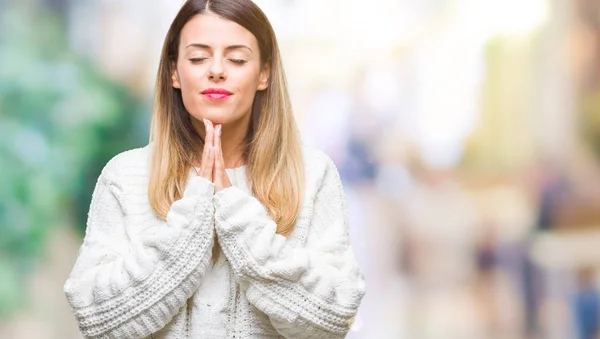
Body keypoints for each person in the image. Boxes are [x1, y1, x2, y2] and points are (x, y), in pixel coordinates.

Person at [62, 0, 366, 338]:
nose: (217, 70)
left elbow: (334, 318)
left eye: (236, 59)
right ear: (174, 72)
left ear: (264, 73)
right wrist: (190, 226)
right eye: (197, 58)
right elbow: (98, 320)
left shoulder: (312, 175)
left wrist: (238, 218)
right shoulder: (125, 176)